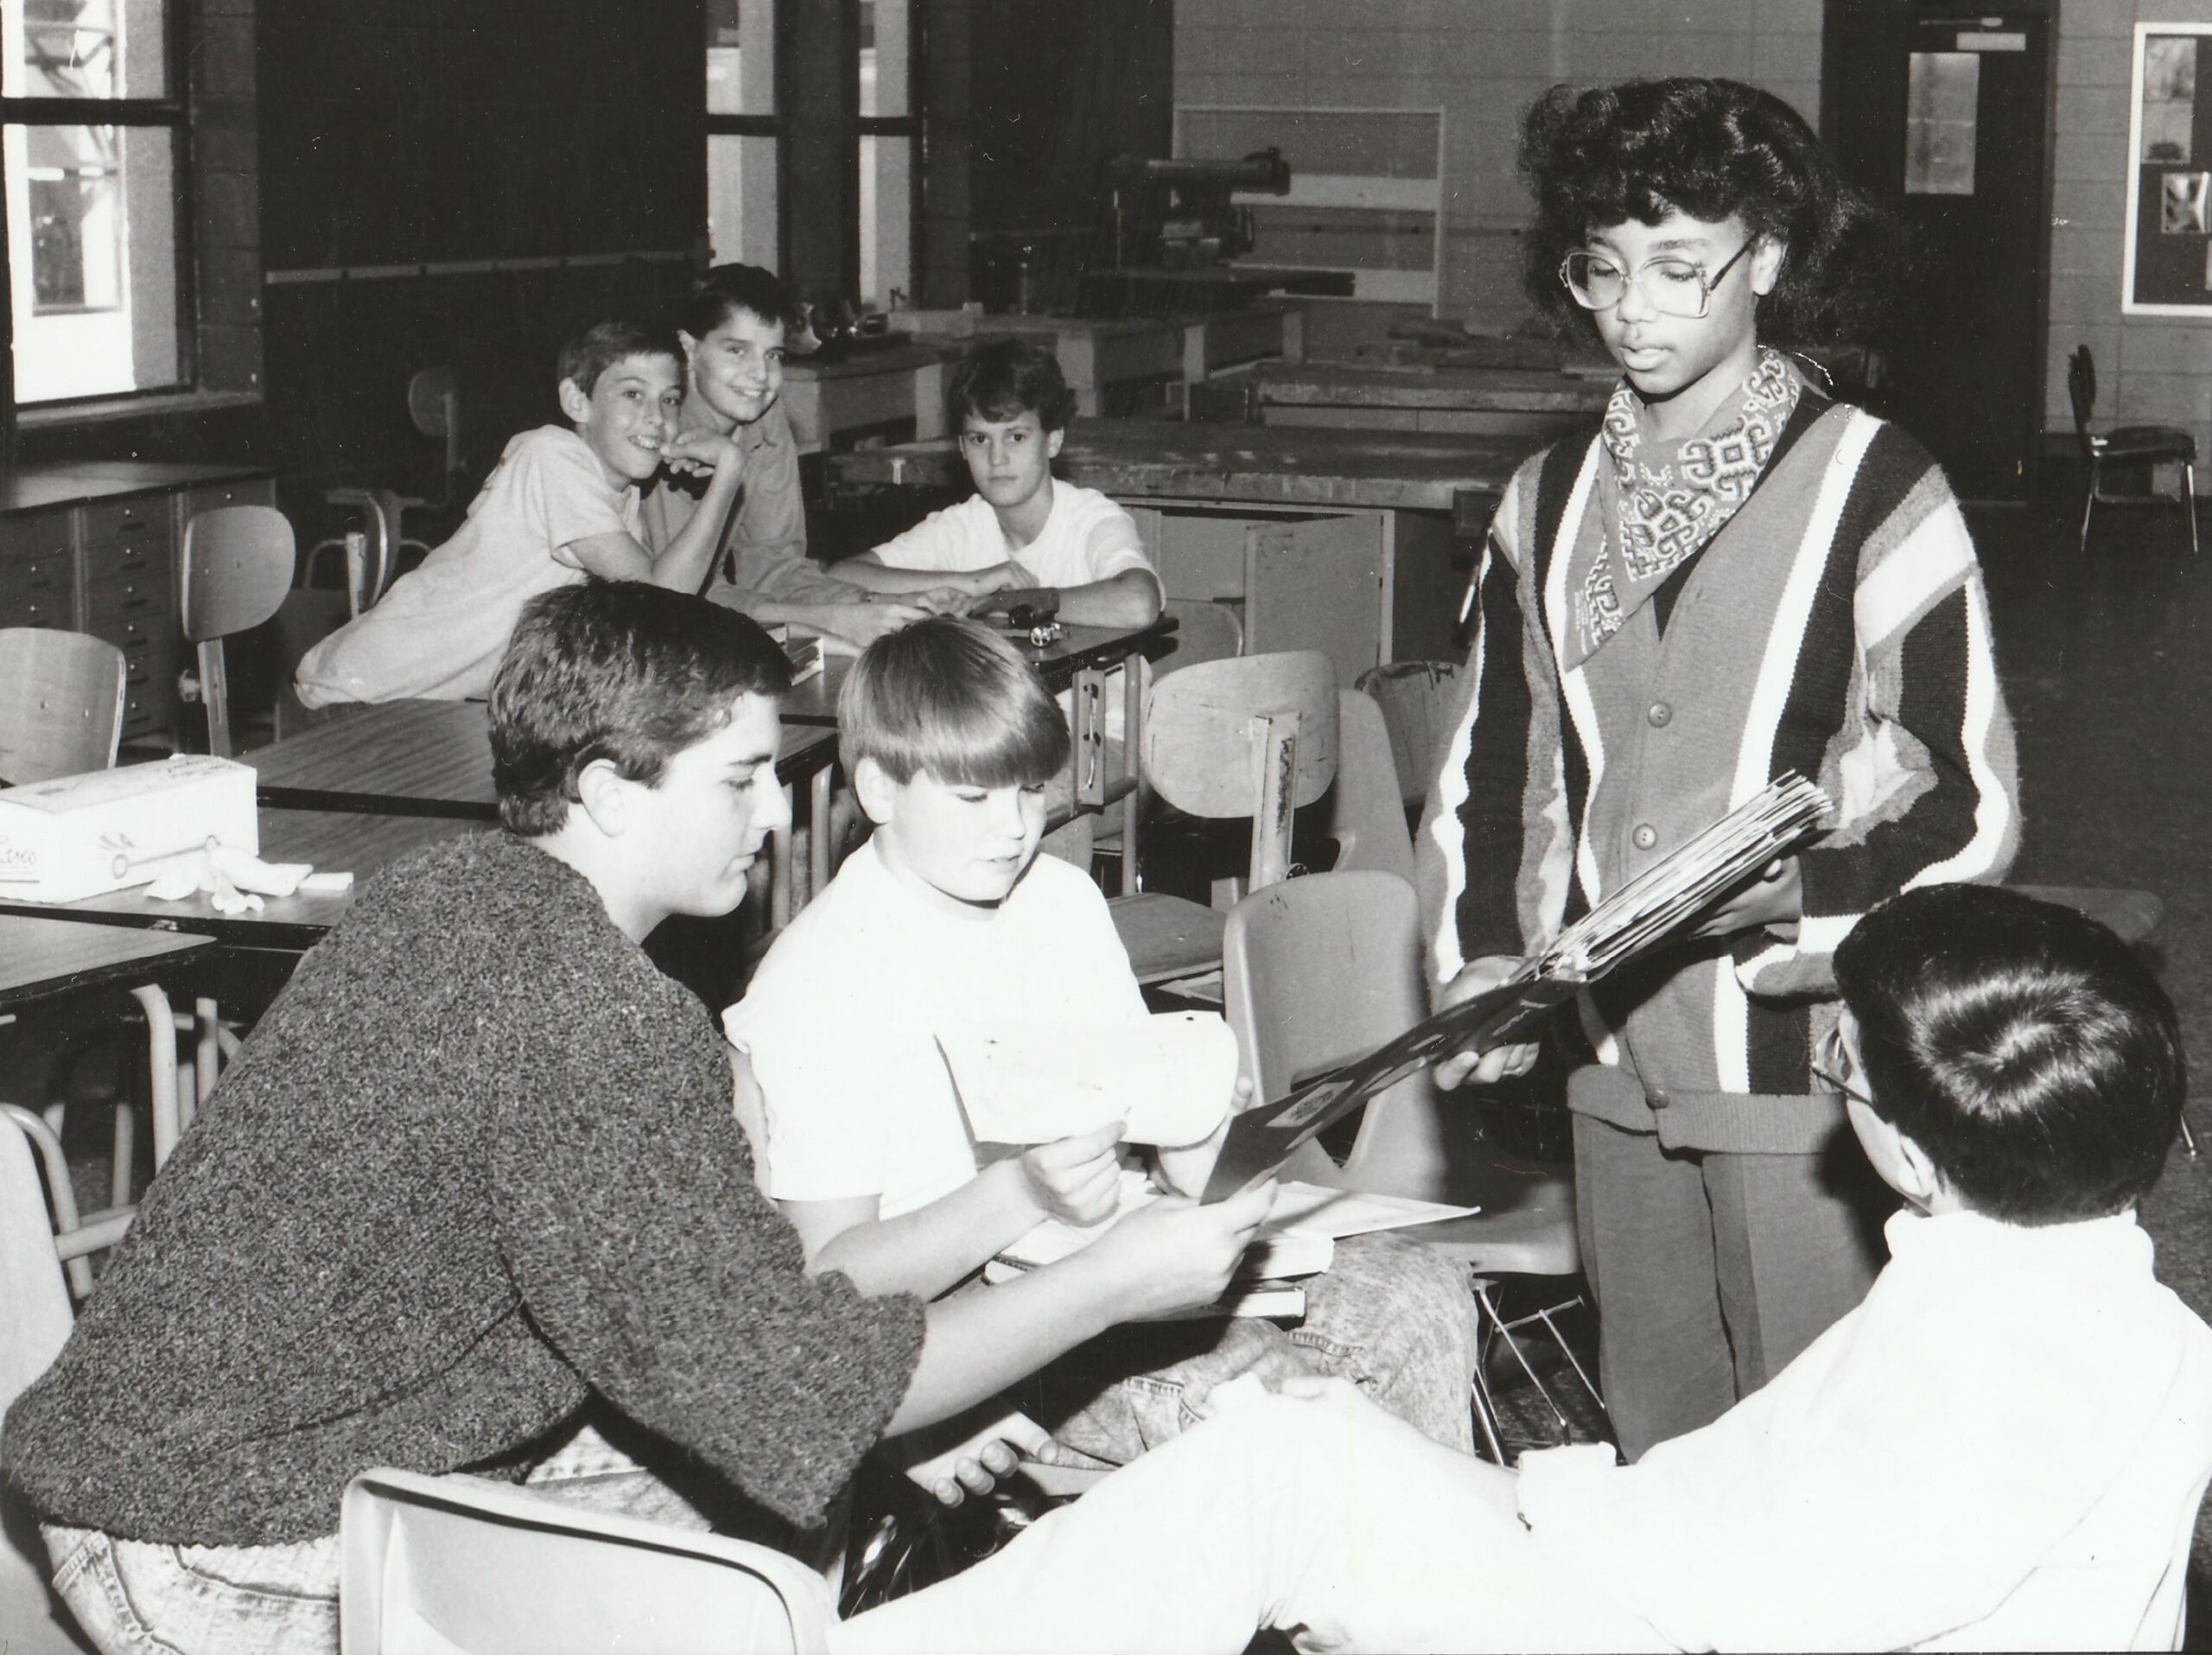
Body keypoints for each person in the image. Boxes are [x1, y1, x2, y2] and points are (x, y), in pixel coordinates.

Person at [1, 583, 1276, 1655]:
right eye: (740, 781)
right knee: (769, 1525)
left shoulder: (445, 896)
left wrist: (1011, 1207)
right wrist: (1110, 1281)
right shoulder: (593, 1014)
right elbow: (790, 1393)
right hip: (211, 1546)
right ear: (613, 789)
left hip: (169, 1467)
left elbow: (721, 1323)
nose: (777, 816)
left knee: (784, 1495)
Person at [834, 883, 2212, 1654]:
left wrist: (1439, 1500)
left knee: (1271, 1479)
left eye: (1839, 1058)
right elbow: (1731, 1528)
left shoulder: (1981, 1367)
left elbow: (1725, 1587)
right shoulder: (2100, 1312)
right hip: (1713, 1607)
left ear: (1913, 1157)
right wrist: (1425, 1470)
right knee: (1303, 1456)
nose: (1831, 1076)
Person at [1414, 77, 2020, 1457]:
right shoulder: (1544, 498)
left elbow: (1966, 801)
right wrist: (1477, 957)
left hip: (1800, 1068)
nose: (1636, 310)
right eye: (1604, 270)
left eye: (1683, 269)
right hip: (1610, 1059)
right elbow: (1488, 764)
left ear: (1776, 260)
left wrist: (1798, 901)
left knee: (1810, 1445)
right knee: (1661, 1439)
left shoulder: (1879, 484)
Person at [726, 616, 1476, 1471]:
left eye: (1027, 791)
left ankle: (1401, 1577)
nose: (1012, 829)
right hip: (973, 1322)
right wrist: (1026, 1194)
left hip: (1109, 1247)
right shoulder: (823, 979)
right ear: (878, 793)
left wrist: (1202, 1128)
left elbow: (1163, 1160)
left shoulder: (1059, 898)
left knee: (1421, 1301)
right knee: (1266, 1402)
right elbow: (830, 1286)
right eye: (973, 798)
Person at [295, 320, 741, 706]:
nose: (655, 416)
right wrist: (728, 472)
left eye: (669, 400)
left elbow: (647, 622)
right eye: (632, 394)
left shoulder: (621, 498)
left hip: (433, 707)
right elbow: (660, 598)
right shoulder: (550, 454)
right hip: (361, 693)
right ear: (576, 402)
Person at [643, 262, 963, 649]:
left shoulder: (764, 414)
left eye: (773, 355)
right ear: (689, 350)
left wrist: (882, 603)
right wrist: (833, 619)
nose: (760, 374)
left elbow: (772, 566)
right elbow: (692, 602)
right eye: (736, 350)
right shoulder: (662, 431)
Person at [829, 338, 1163, 628]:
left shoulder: (1092, 519)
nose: (996, 458)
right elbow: (840, 577)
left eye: (1016, 437)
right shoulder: (962, 526)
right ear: (961, 447)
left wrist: (1013, 603)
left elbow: (1139, 601)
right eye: (979, 440)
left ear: (1053, 441)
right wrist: (974, 583)